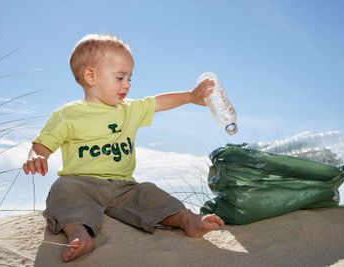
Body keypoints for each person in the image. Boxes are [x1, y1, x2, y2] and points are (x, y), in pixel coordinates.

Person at [22, 34, 224, 262]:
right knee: (63, 189)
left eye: (129, 78)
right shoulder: (67, 114)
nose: (127, 84)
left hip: (124, 186)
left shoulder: (129, 109)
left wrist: (190, 96)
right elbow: (43, 142)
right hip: (82, 183)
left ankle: (188, 220)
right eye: (120, 77)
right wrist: (36, 156)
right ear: (91, 76)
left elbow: (158, 102)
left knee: (149, 193)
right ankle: (79, 235)